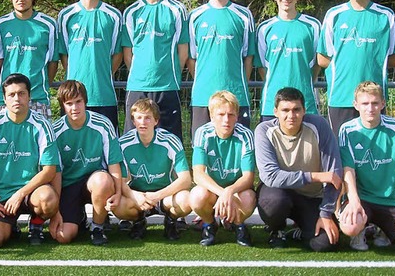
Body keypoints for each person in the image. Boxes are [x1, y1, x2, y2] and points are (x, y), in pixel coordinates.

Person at [0, 73, 60, 248]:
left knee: (47, 200)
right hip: (1, 194)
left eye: (21, 93)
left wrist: (20, 194)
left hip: (32, 193)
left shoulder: (42, 125)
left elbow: (50, 170)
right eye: (11, 94)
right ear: (4, 98)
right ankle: (11, 226)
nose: (17, 98)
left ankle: (36, 224)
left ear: (29, 96)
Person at [317, 0, 395, 135]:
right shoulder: (334, 15)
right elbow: (322, 59)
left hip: (373, 99)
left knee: (374, 153)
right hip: (341, 97)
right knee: (340, 154)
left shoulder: (385, 16)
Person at [338, 81, 395, 256]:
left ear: (382, 104)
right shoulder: (347, 130)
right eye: (365, 103)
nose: (370, 108)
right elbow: (348, 169)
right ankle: (360, 231)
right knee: (350, 226)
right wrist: (353, 200)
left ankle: (385, 230)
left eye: (375, 103)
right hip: (362, 200)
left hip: (391, 202)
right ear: (356, 105)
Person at [254, 87, 342, 252]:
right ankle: (277, 230)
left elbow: (334, 174)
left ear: (304, 110)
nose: (291, 115)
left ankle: (300, 231)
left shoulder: (319, 126)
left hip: (311, 196)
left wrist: (326, 213)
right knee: (273, 203)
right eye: (285, 110)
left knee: (326, 243)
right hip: (279, 193)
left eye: (296, 110)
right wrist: (314, 176)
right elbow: (270, 176)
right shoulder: (264, 131)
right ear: (275, 112)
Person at [121, 0, 188, 140]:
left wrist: (170, 73)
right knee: (132, 141)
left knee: (170, 143)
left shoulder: (177, 10)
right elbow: (128, 54)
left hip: (167, 87)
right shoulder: (131, 12)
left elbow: (183, 51)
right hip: (138, 86)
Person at [49, 80, 123, 245]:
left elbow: (113, 163)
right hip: (68, 185)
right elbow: (56, 172)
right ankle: (79, 216)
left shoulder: (103, 124)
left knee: (102, 181)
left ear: (85, 102)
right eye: (69, 104)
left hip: (94, 182)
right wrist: (56, 211)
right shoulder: (56, 131)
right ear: (62, 105)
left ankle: (97, 227)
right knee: (62, 236)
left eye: (78, 102)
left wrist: (118, 193)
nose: (75, 108)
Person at [187, 0, 254, 137]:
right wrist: (203, 81)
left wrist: (240, 84)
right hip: (203, 96)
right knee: (202, 150)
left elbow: (248, 57)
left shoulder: (243, 15)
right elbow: (192, 57)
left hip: (236, 95)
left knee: (240, 149)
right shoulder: (194, 17)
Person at [57, 0, 123, 130]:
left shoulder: (113, 16)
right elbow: (64, 54)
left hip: (104, 96)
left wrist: (103, 74)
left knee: (107, 150)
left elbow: (117, 54)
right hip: (73, 98)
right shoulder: (66, 16)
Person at [113, 98, 191, 241]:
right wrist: (135, 195)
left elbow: (186, 179)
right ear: (133, 121)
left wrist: (157, 196)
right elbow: (120, 181)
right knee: (118, 205)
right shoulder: (123, 144)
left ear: (156, 121)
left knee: (186, 199)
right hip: (138, 197)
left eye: (148, 118)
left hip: (164, 195)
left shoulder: (170, 141)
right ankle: (138, 221)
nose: (143, 122)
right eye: (139, 118)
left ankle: (171, 220)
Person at [189, 91, 256, 247]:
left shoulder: (246, 135)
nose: (226, 120)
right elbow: (198, 175)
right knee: (197, 196)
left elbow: (248, 177)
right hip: (213, 190)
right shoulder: (202, 133)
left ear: (237, 116)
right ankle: (210, 224)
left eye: (231, 114)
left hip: (236, 190)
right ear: (212, 116)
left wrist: (229, 191)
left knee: (249, 198)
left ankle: (238, 224)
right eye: (221, 114)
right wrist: (222, 193)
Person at [255, 0, 321, 122]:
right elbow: (262, 67)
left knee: (308, 146)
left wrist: (306, 81)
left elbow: (317, 62)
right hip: (272, 104)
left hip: (306, 103)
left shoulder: (312, 26)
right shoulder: (264, 29)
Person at [0, 0, 59, 119]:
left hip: (38, 99)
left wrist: (39, 85)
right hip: (5, 99)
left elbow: (53, 62)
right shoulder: (0, 25)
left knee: (40, 142)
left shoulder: (48, 24)